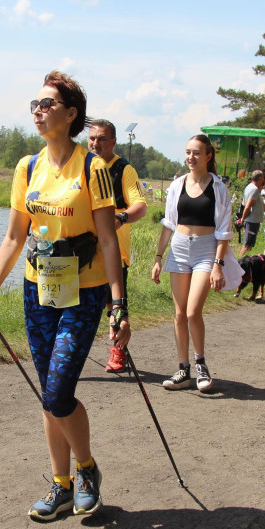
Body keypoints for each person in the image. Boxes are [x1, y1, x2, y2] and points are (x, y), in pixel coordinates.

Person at [0, 71, 129, 522]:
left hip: (85, 290)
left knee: (59, 389)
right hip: (37, 289)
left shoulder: (93, 168)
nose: (38, 111)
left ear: (70, 114)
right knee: (49, 393)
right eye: (34, 104)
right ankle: (60, 484)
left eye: (47, 104)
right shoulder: (27, 167)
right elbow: (13, 237)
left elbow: (107, 240)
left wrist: (118, 304)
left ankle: (86, 469)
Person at [151, 134, 242, 393]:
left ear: (208, 156)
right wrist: (158, 258)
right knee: (179, 313)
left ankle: (200, 364)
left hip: (205, 250)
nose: (191, 157)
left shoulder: (218, 188)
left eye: (197, 153)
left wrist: (218, 265)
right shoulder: (177, 185)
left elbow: (224, 231)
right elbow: (168, 225)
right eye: (188, 152)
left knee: (193, 312)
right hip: (179, 249)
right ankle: (183, 369)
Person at [87, 119, 148, 373]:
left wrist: (121, 218)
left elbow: (140, 205)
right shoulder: (83, 165)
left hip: (115, 248)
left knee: (115, 304)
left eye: (102, 139)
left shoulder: (124, 169)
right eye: (92, 138)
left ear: (113, 141)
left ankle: (118, 351)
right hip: (85, 248)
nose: (95, 143)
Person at [236, 170, 265, 256]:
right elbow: (248, 206)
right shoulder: (254, 189)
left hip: (252, 220)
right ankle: (240, 261)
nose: (264, 180)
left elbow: (243, 202)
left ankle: (244, 260)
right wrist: (242, 219)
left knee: (249, 244)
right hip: (252, 221)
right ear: (260, 178)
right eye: (263, 178)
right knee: (247, 244)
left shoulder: (249, 187)